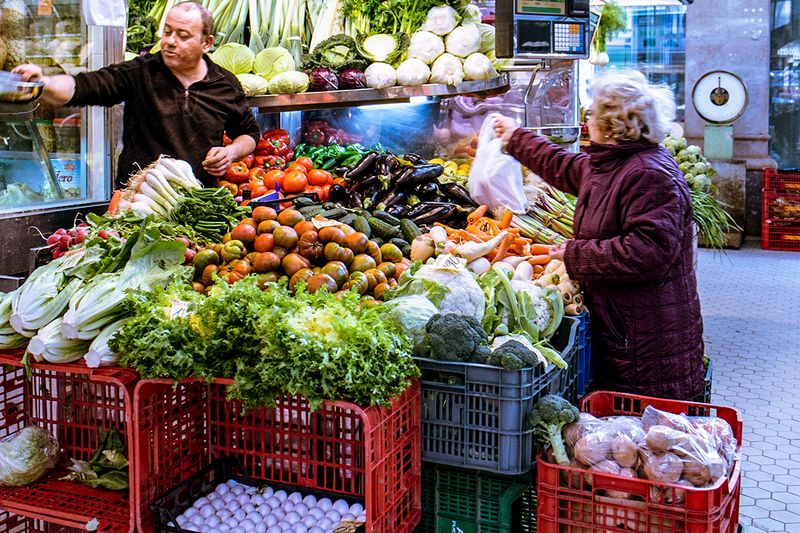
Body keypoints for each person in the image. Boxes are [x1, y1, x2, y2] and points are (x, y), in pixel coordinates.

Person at [495, 71, 704, 401]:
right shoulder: (613, 162)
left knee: (642, 429)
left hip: (646, 338)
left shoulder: (649, 174)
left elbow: (648, 251)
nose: (586, 117)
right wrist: (516, 138)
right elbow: (563, 165)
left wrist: (572, 254)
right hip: (626, 325)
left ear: (612, 124)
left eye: (591, 112)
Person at [12, 1, 259, 188]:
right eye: (167, 32)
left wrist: (230, 152)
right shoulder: (141, 72)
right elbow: (83, 87)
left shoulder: (225, 84)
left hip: (196, 202)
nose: (170, 41)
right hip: (137, 200)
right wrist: (43, 81)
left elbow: (249, 134)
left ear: (207, 43)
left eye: (182, 36)